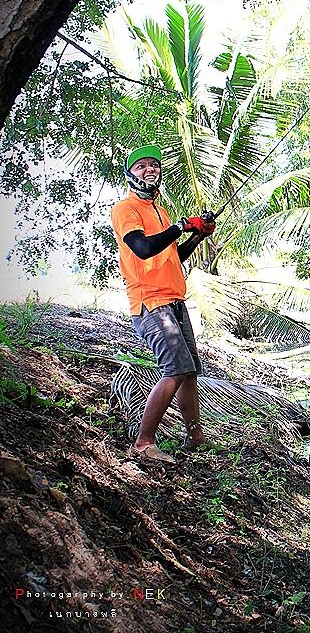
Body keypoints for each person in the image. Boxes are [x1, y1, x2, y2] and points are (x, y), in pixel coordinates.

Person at [111, 144, 216, 463]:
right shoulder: (125, 209)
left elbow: (172, 256)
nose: (149, 169)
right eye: (141, 165)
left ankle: (195, 437)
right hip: (150, 302)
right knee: (175, 370)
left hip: (174, 299)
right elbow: (143, 249)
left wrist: (197, 236)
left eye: (154, 165)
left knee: (190, 372)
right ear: (130, 173)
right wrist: (180, 227)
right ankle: (143, 443)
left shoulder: (161, 212)